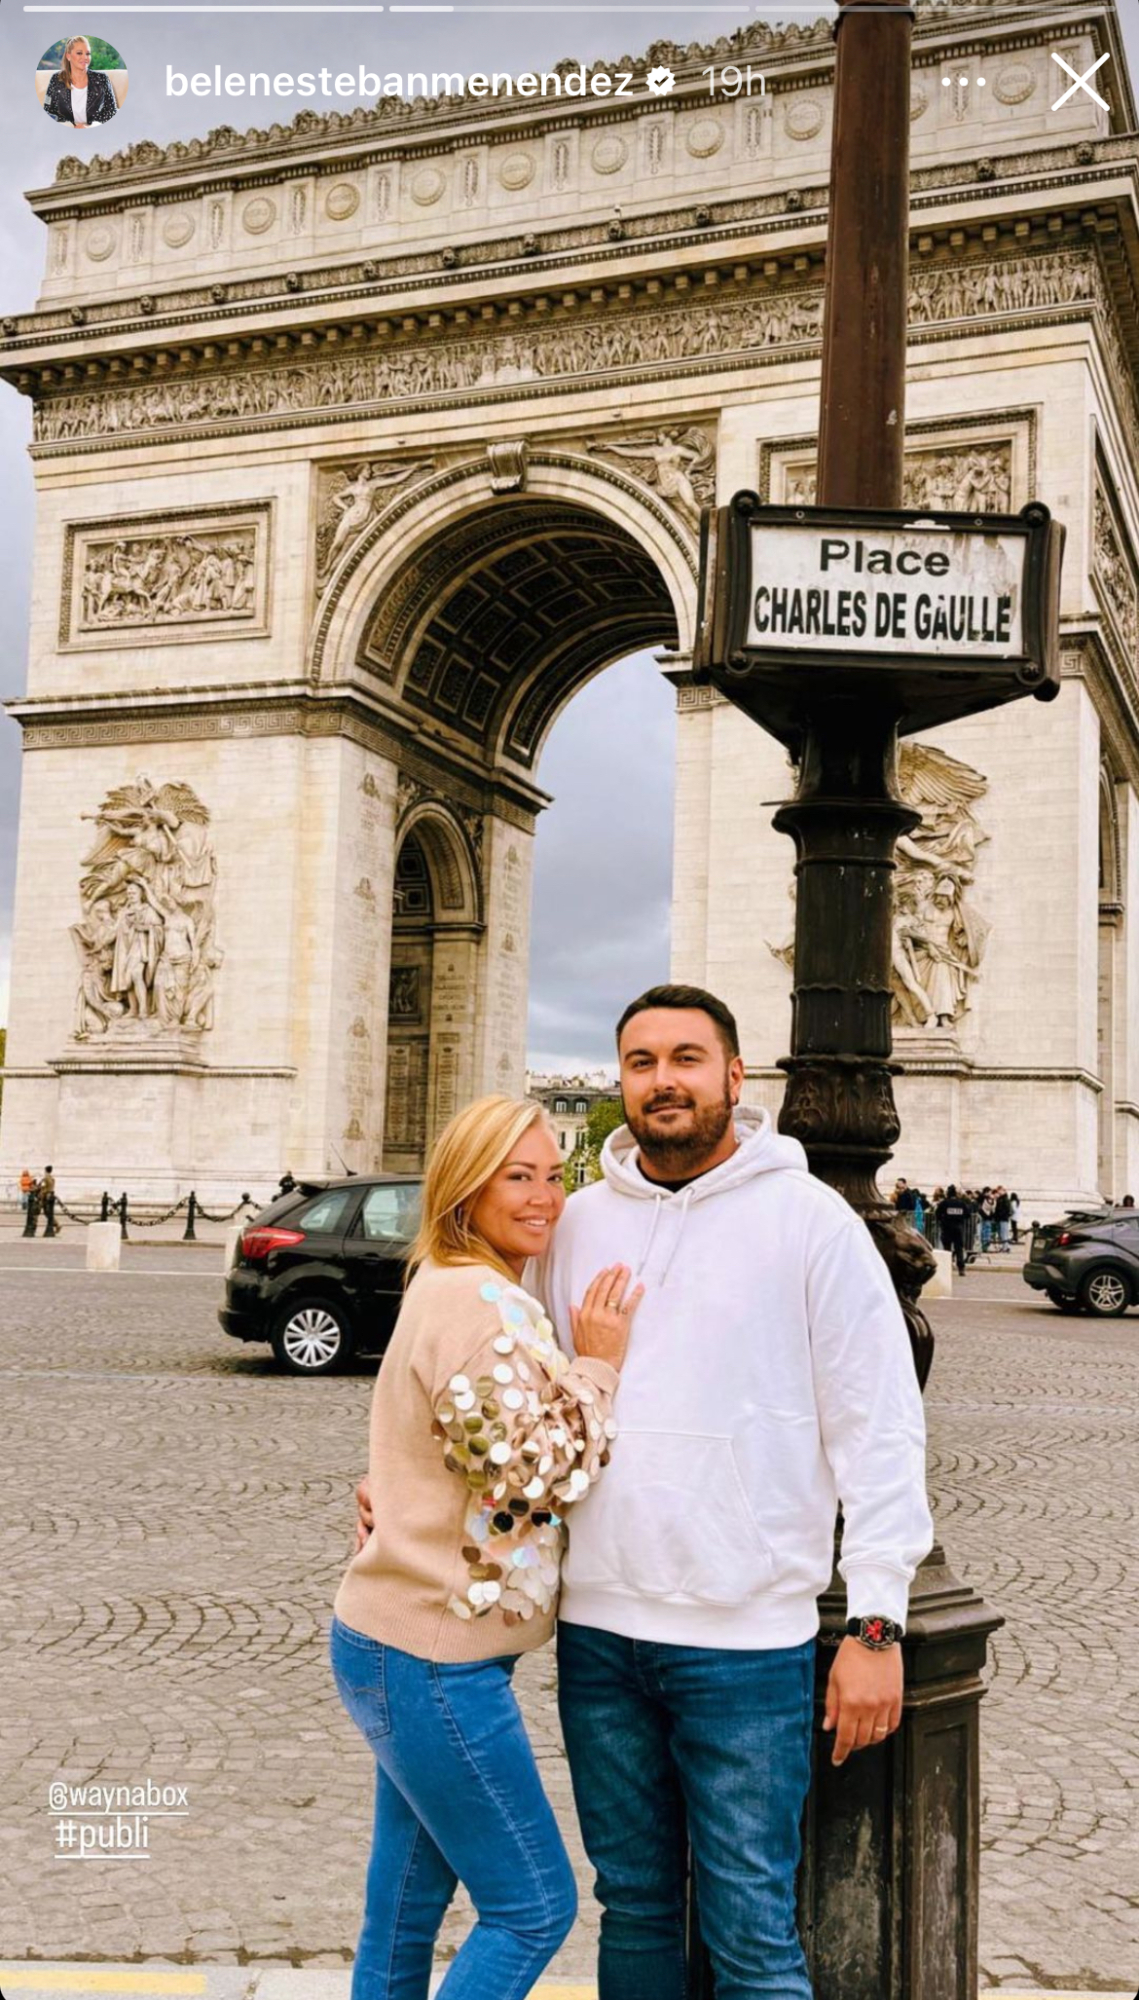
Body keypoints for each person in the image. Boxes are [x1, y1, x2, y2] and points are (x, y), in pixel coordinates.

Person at [357, 987, 933, 1996]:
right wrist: (396, 1485)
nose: (662, 1079)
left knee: (753, 1927)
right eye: (638, 1061)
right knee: (634, 1906)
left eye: (685, 1057)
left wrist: (876, 1620)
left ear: (734, 1077)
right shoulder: (570, 1222)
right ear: (620, 1080)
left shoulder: (813, 1224)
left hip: (746, 1640)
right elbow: (486, 1391)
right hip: (598, 1634)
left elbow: (879, 1429)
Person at [331, 1094, 643, 2000]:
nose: (546, 1196)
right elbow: (533, 1473)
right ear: (465, 1188)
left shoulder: (458, 1285)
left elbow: (442, 1445)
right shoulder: (473, 1298)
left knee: (400, 1914)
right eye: (518, 1177)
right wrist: (599, 1363)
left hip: (407, 1641)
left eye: (554, 1174)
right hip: (431, 1656)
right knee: (533, 1905)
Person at [42, 37, 119, 127]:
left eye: (88, 54)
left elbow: (111, 112)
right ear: (68, 56)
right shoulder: (56, 79)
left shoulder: (102, 79)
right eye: (79, 53)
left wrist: (91, 126)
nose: (85, 57)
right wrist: (70, 126)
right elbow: (48, 111)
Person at [936, 1183, 972, 1275]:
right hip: (958, 1228)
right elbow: (968, 1214)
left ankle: (947, 1268)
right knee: (959, 1249)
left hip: (947, 1228)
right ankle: (961, 1268)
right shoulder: (961, 1203)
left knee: (947, 1248)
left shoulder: (944, 1203)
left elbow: (937, 1214)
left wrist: (942, 1220)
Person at [41, 1165, 60, 1238]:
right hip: (51, 1195)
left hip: (46, 1196)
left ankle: (56, 1224)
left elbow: (43, 1187)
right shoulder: (52, 1178)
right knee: (49, 1212)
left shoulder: (45, 1178)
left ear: (45, 1170)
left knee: (47, 1212)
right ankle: (56, 1224)